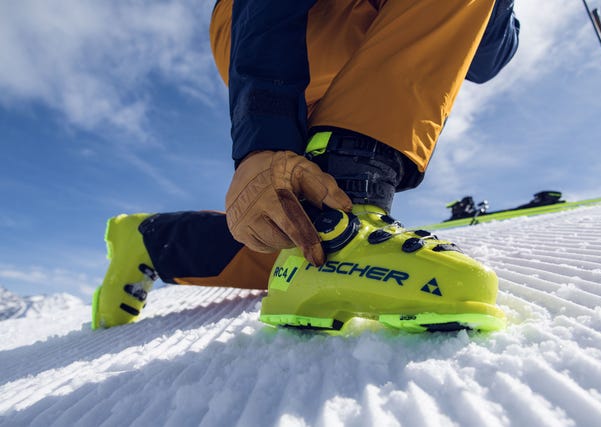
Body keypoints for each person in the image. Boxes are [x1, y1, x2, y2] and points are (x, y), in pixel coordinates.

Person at [92, 0, 520, 332]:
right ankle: (345, 229)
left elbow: (485, 60)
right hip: (275, 24)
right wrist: (264, 140)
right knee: (333, 228)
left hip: (357, 45)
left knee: (299, 238)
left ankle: (152, 241)